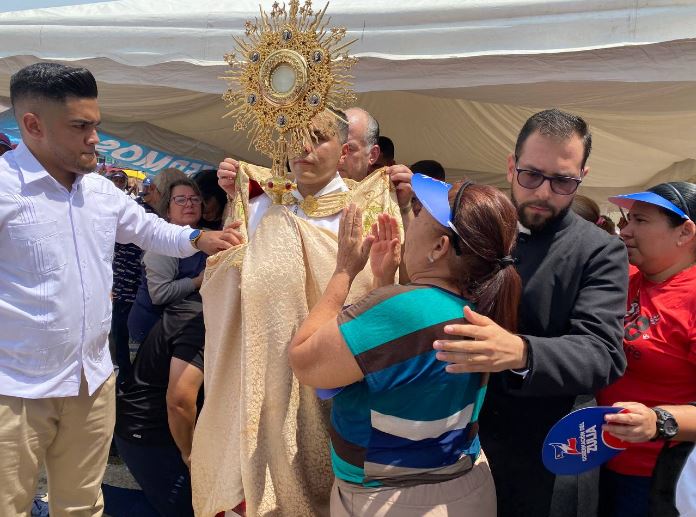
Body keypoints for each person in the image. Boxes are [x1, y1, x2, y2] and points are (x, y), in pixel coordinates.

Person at [0, 62, 234, 517]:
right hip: (16, 387)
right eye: (80, 126)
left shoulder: (100, 192)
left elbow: (149, 229)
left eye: (96, 125)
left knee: (83, 504)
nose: (94, 138)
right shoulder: (4, 190)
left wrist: (199, 238)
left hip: (91, 381)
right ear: (33, 126)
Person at [191, 109, 405, 516]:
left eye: (319, 137)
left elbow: (383, 301)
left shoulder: (366, 214)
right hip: (254, 376)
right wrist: (231, 263)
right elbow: (218, 290)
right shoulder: (257, 207)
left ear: (344, 150)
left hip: (327, 383)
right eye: (293, 135)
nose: (302, 147)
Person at [431, 108, 629, 516]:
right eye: (532, 175)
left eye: (563, 181)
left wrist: (522, 352)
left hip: (530, 451)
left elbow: (603, 354)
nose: (543, 192)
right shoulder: (469, 226)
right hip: (444, 435)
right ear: (511, 166)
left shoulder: (598, 251)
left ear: (582, 176)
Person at [289, 173, 521, 516]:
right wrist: (384, 282)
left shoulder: (406, 309)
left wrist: (344, 271)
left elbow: (304, 361)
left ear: (439, 247)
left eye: (418, 215)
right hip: (461, 485)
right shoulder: (476, 303)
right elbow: (402, 370)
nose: (408, 224)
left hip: (391, 499)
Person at [595, 182, 696, 517]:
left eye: (640, 221)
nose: (625, 231)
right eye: (625, 220)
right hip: (601, 456)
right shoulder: (625, 277)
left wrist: (658, 420)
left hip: (659, 476)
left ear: (685, 232)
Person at [114, 294, 205, 517]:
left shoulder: (194, 304)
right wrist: (190, 453)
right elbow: (180, 401)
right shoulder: (201, 321)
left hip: (141, 424)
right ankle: (91, 497)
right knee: (186, 510)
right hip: (148, 433)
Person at [128, 178, 208, 345]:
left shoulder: (207, 237)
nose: (189, 204)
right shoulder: (162, 245)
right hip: (151, 333)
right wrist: (198, 281)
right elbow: (160, 294)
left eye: (195, 199)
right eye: (180, 199)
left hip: (182, 329)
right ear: (168, 210)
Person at [337, 107, 380, 181]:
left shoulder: (384, 192)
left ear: (372, 155)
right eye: (334, 147)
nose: (338, 156)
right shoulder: (312, 190)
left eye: (349, 149)